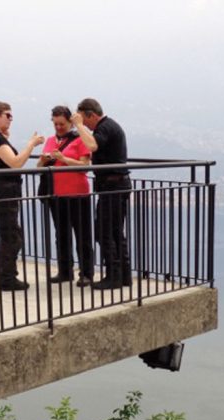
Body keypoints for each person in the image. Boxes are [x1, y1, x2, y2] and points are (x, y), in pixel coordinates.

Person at [0, 102, 44, 291]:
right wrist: (31, 145)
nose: (10, 119)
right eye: (7, 115)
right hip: (4, 190)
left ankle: (4, 274)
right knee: (12, 236)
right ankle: (7, 278)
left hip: (0, 188)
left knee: (9, 233)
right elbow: (15, 163)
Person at [71, 98, 131, 290]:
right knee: (115, 231)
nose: (84, 124)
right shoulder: (109, 126)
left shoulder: (104, 127)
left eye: (84, 119)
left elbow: (92, 146)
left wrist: (79, 126)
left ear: (91, 115)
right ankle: (124, 275)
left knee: (104, 231)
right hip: (116, 185)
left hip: (112, 186)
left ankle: (113, 276)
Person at [38, 105, 94, 287]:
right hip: (57, 194)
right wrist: (43, 161)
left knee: (82, 235)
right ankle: (64, 271)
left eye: (61, 124)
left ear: (70, 121)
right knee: (61, 235)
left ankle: (86, 273)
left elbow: (84, 166)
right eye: (55, 124)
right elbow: (39, 168)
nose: (59, 127)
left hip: (78, 194)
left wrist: (63, 158)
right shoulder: (50, 140)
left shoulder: (80, 140)